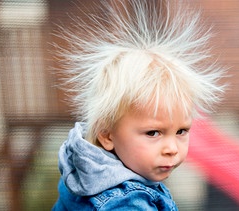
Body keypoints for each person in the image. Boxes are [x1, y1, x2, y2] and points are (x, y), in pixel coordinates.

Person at [52, 0, 225, 210]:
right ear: (106, 135)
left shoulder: (80, 175)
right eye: (153, 133)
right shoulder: (126, 203)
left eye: (181, 131)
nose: (172, 148)